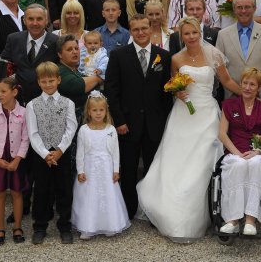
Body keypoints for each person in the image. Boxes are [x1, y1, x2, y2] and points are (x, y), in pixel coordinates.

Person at [137, 17, 240, 242]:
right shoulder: (176, 58)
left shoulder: (214, 55)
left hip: (207, 114)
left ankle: (204, 212)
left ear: (200, 33)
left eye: (194, 32)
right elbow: (173, 85)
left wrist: (248, 92)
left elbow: (227, 82)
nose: (191, 37)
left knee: (201, 162)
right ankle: (171, 212)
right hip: (183, 114)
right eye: (186, 33)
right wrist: (178, 92)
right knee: (177, 161)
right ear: (181, 36)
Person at [104, 14, 173, 219]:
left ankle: (151, 211)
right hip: (128, 123)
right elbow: (112, 90)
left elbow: (166, 92)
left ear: (151, 29)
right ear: (130, 32)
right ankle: (128, 210)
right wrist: (119, 120)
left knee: (153, 168)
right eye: (136, 29)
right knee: (129, 168)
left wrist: (164, 121)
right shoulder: (118, 55)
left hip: (154, 123)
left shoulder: (163, 56)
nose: (141, 33)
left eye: (144, 28)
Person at [25, 61, 77, 244]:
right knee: (41, 190)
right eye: (44, 81)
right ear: (39, 82)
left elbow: (71, 128)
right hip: (42, 155)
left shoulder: (68, 103)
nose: (48, 85)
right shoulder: (32, 105)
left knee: (64, 189)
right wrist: (45, 154)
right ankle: (40, 225)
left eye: (51, 80)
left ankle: (65, 225)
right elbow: (32, 132)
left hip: (61, 153)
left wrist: (60, 150)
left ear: (58, 80)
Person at [218, 67, 261, 236]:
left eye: (252, 84)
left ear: (259, 88)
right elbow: (222, 134)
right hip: (234, 151)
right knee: (239, 164)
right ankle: (233, 220)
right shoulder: (229, 105)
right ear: (240, 84)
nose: (247, 87)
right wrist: (237, 153)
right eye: (245, 83)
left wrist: (258, 151)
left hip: (255, 152)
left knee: (255, 164)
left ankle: (250, 220)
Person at [72, 91, 130, 239]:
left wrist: (116, 170)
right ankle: (88, 227)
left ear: (106, 111)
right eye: (94, 110)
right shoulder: (84, 130)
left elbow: (115, 152)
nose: (98, 113)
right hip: (89, 167)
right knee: (89, 196)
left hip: (106, 168)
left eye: (101, 110)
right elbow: (80, 152)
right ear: (88, 111)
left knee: (107, 195)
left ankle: (110, 225)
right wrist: (80, 170)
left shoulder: (111, 130)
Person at [0, 76, 29, 246]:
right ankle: (0, 228)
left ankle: (17, 227)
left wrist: (18, 159)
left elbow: (26, 139)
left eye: (4, 91)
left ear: (14, 92)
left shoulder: (24, 112)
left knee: (17, 193)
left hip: (16, 159)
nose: (0, 95)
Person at [216, 0, 261, 101]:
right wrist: (237, 90)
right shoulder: (222, 35)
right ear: (234, 10)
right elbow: (220, 67)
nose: (243, 11)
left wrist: (258, 89)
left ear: (255, 9)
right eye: (239, 7)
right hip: (232, 97)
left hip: (260, 97)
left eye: (247, 7)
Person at [56, 34, 103, 123]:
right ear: (60, 54)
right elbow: (78, 85)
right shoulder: (59, 70)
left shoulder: (80, 69)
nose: (75, 52)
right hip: (69, 123)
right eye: (69, 49)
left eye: (76, 48)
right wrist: (99, 78)